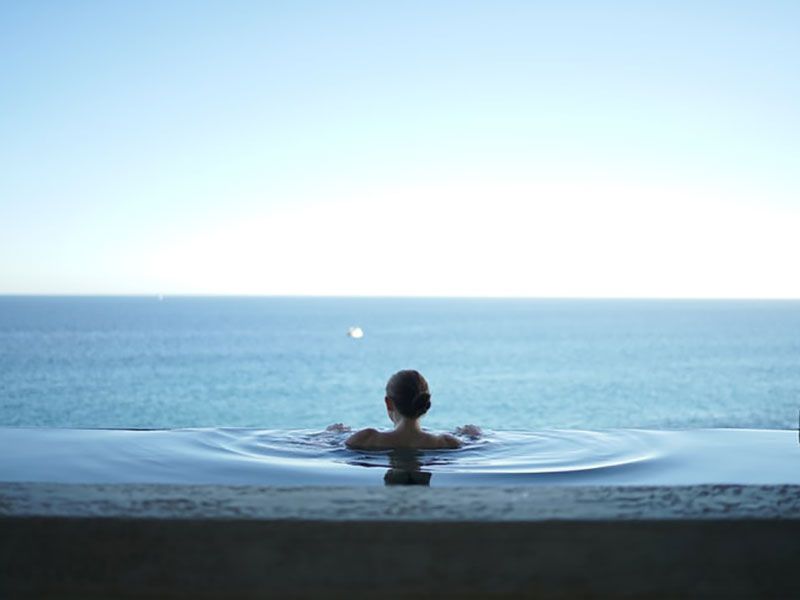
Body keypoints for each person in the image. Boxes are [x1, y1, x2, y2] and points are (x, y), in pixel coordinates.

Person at [338, 369, 479, 450]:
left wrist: (333, 433)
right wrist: (473, 435)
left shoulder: (365, 439)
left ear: (388, 403)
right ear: (425, 403)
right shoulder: (446, 443)